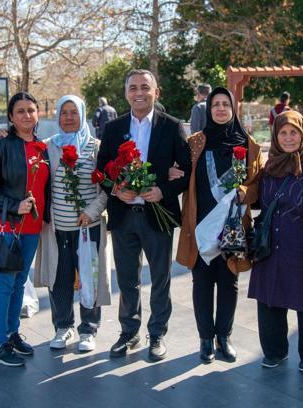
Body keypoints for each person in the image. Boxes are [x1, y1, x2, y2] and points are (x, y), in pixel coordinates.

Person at [96, 69, 191, 362]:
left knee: (160, 277)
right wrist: (116, 190)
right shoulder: (112, 130)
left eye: (145, 87)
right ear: (126, 94)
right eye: (133, 88)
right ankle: (129, 332)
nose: (139, 92)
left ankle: (157, 333)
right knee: (127, 278)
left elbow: (186, 173)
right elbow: (101, 174)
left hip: (157, 215)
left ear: (156, 92)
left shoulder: (172, 126)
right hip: (124, 215)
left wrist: (163, 189)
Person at [175, 87, 262, 364]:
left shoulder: (248, 144)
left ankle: (224, 336)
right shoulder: (196, 143)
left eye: (226, 104)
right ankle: (205, 339)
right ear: (208, 109)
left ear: (233, 109)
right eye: (216, 105)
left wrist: (246, 193)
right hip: (201, 226)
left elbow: (257, 183)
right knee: (202, 282)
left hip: (233, 226)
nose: (221, 109)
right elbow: (181, 174)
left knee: (229, 281)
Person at [248, 110, 303, 373]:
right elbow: (256, 203)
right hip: (271, 248)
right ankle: (274, 351)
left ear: (302, 134)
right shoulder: (269, 167)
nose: (288, 138)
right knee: (269, 301)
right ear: (275, 136)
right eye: (283, 133)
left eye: (293, 132)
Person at [34, 95, 110, 352]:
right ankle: (63, 326)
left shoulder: (95, 146)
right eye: (64, 112)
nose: (68, 117)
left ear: (83, 114)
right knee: (60, 278)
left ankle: (88, 329)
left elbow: (106, 187)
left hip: (88, 226)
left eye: (73, 112)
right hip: (57, 229)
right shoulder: (48, 147)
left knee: (90, 278)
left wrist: (92, 211)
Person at [0, 92, 51, 367]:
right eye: (20, 111)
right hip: (3, 224)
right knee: (4, 283)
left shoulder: (42, 148)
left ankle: (11, 333)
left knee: (20, 282)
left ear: (38, 114)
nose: (26, 115)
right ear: (11, 117)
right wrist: (12, 205)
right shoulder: (1, 146)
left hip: (33, 227)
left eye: (31, 110)